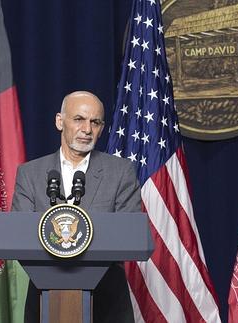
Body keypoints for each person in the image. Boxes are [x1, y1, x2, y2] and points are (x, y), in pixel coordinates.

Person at [11, 91, 141, 323]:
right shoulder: (30, 173)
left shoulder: (121, 172)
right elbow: (18, 235)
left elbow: (130, 234)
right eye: (79, 119)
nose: (87, 129)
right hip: (44, 301)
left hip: (108, 303)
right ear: (60, 121)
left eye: (95, 122)